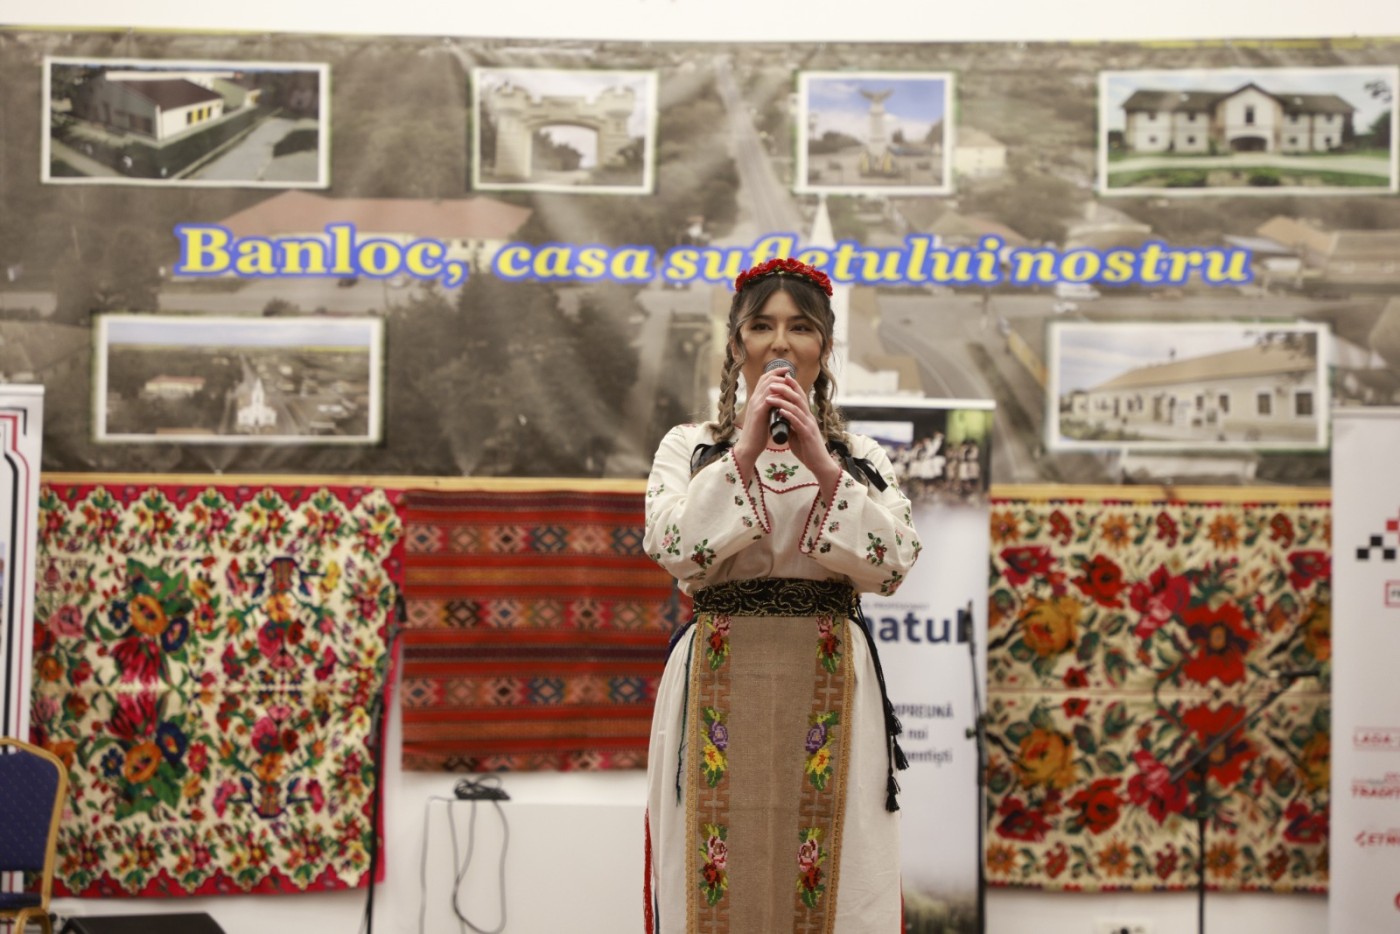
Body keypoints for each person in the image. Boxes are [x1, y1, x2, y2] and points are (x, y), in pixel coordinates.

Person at [643, 257, 921, 933]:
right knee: (713, 871)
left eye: (800, 327)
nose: (780, 343)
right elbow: (672, 547)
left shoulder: (859, 456)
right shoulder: (691, 447)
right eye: (761, 326)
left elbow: (893, 564)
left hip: (830, 674)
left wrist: (822, 463)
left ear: (824, 347)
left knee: (838, 870)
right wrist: (742, 451)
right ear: (737, 344)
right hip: (718, 673)